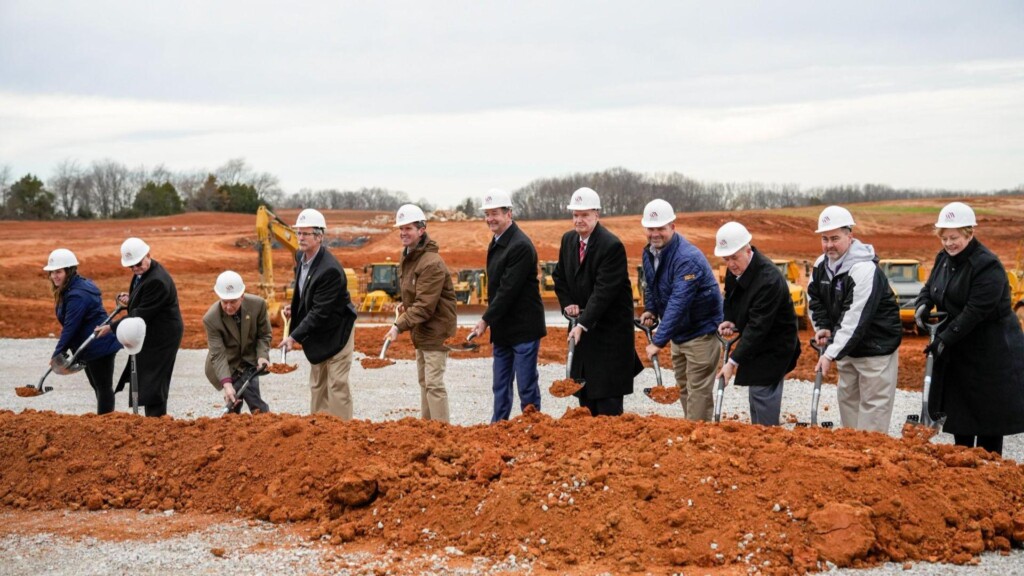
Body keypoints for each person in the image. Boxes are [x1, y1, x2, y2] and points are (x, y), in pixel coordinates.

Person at [914, 202, 1024, 455]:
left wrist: (942, 338)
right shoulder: (943, 258)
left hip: (990, 353)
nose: (949, 243)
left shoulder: (987, 266)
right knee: (960, 413)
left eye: (954, 238)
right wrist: (923, 305)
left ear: (969, 233)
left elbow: (974, 311)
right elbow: (930, 288)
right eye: (944, 238)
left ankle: (989, 467)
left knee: (988, 418)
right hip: (960, 349)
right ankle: (962, 464)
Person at [807, 206, 902, 433]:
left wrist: (830, 353)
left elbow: (855, 318)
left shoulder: (863, 269)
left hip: (875, 346)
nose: (829, 244)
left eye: (835, 238)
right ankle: (851, 449)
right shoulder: (821, 265)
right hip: (847, 346)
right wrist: (823, 327)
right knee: (847, 398)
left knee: (873, 404)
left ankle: (872, 454)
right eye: (825, 239)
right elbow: (815, 299)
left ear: (850, 236)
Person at [552, 187, 642, 417]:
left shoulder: (610, 246)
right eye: (575, 215)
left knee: (607, 406)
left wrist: (582, 323)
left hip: (609, 340)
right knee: (585, 402)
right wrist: (568, 303)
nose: (579, 220)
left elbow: (603, 292)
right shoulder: (568, 240)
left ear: (597, 215)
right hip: (585, 340)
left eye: (585, 215)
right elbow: (559, 277)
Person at [638, 199, 723, 421]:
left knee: (698, 392)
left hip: (701, 332)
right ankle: (692, 434)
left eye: (661, 228)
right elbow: (651, 285)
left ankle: (699, 440)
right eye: (651, 228)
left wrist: (658, 341)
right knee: (684, 387)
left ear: (672, 227)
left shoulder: (687, 258)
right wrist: (651, 310)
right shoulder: (649, 253)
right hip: (680, 333)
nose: (655, 233)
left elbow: (679, 301)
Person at [470, 189, 547, 422]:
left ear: (509, 213)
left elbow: (507, 291)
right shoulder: (497, 242)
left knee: (526, 384)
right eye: (487, 214)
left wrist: (485, 320)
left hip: (523, 327)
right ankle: (499, 426)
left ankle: (533, 427)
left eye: (495, 213)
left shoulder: (520, 245)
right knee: (500, 384)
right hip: (503, 328)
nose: (490, 218)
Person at [713, 222, 800, 426]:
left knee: (762, 392)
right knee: (755, 393)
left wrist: (732, 363)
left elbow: (758, 326)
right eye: (726, 259)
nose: (731, 263)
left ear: (748, 250)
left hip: (774, 346)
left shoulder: (768, 279)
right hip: (757, 342)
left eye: (734, 257)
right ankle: (759, 434)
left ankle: (769, 443)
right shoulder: (735, 270)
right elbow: (732, 298)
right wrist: (730, 319)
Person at [280, 208, 358, 420]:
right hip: (318, 331)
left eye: (306, 233)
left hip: (337, 331)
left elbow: (319, 311)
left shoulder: (329, 270)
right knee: (317, 384)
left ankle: (342, 433)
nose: (301, 237)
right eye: (299, 233)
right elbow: (304, 293)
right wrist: (294, 310)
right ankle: (319, 433)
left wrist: (294, 336)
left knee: (336, 384)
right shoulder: (301, 257)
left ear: (319, 237)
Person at [384, 204, 457, 423]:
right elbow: (415, 294)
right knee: (425, 382)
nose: (403, 233)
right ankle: (428, 428)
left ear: (421, 230)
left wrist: (398, 326)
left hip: (435, 330)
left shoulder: (431, 262)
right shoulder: (409, 257)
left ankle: (442, 431)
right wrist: (404, 306)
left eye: (408, 228)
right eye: (401, 229)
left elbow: (425, 305)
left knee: (434, 384)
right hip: (421, 329)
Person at [96, 237, 183, 417]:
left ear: (148, 255)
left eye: (138, 264)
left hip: (162, 336)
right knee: (147, 378)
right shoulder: (145, 273)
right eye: (131, 266)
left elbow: (141, 314)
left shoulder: (157, 280)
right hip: (150, 331)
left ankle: (156, 421)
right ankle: (152, 421)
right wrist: (132, 299)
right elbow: (143, 301)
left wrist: (111, 327)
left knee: (154, 380)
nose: (135, 268)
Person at [44, 248, 122, 414]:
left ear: (69, 270)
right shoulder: (71, 288)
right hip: (88, 345)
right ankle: (105, 420)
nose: (54, 276)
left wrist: (57, 353)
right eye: (52, 272)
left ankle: (106, 423)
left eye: (58, 272)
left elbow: (71, 327)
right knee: (98, 386)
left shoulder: (77, 295)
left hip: (99, 344)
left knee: (102, 387)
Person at [203, 271, 272, 414]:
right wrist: (227, 384)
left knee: (254, 400)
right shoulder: (211, 318)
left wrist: (262, 356)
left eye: (233, 301)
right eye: (224, 302)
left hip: (249, 361)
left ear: (242, 296)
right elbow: (218, 354)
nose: (228, 307)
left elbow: (264, 335)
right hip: (227, 364)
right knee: (233, 403)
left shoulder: (257, 305)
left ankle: (263, 420)